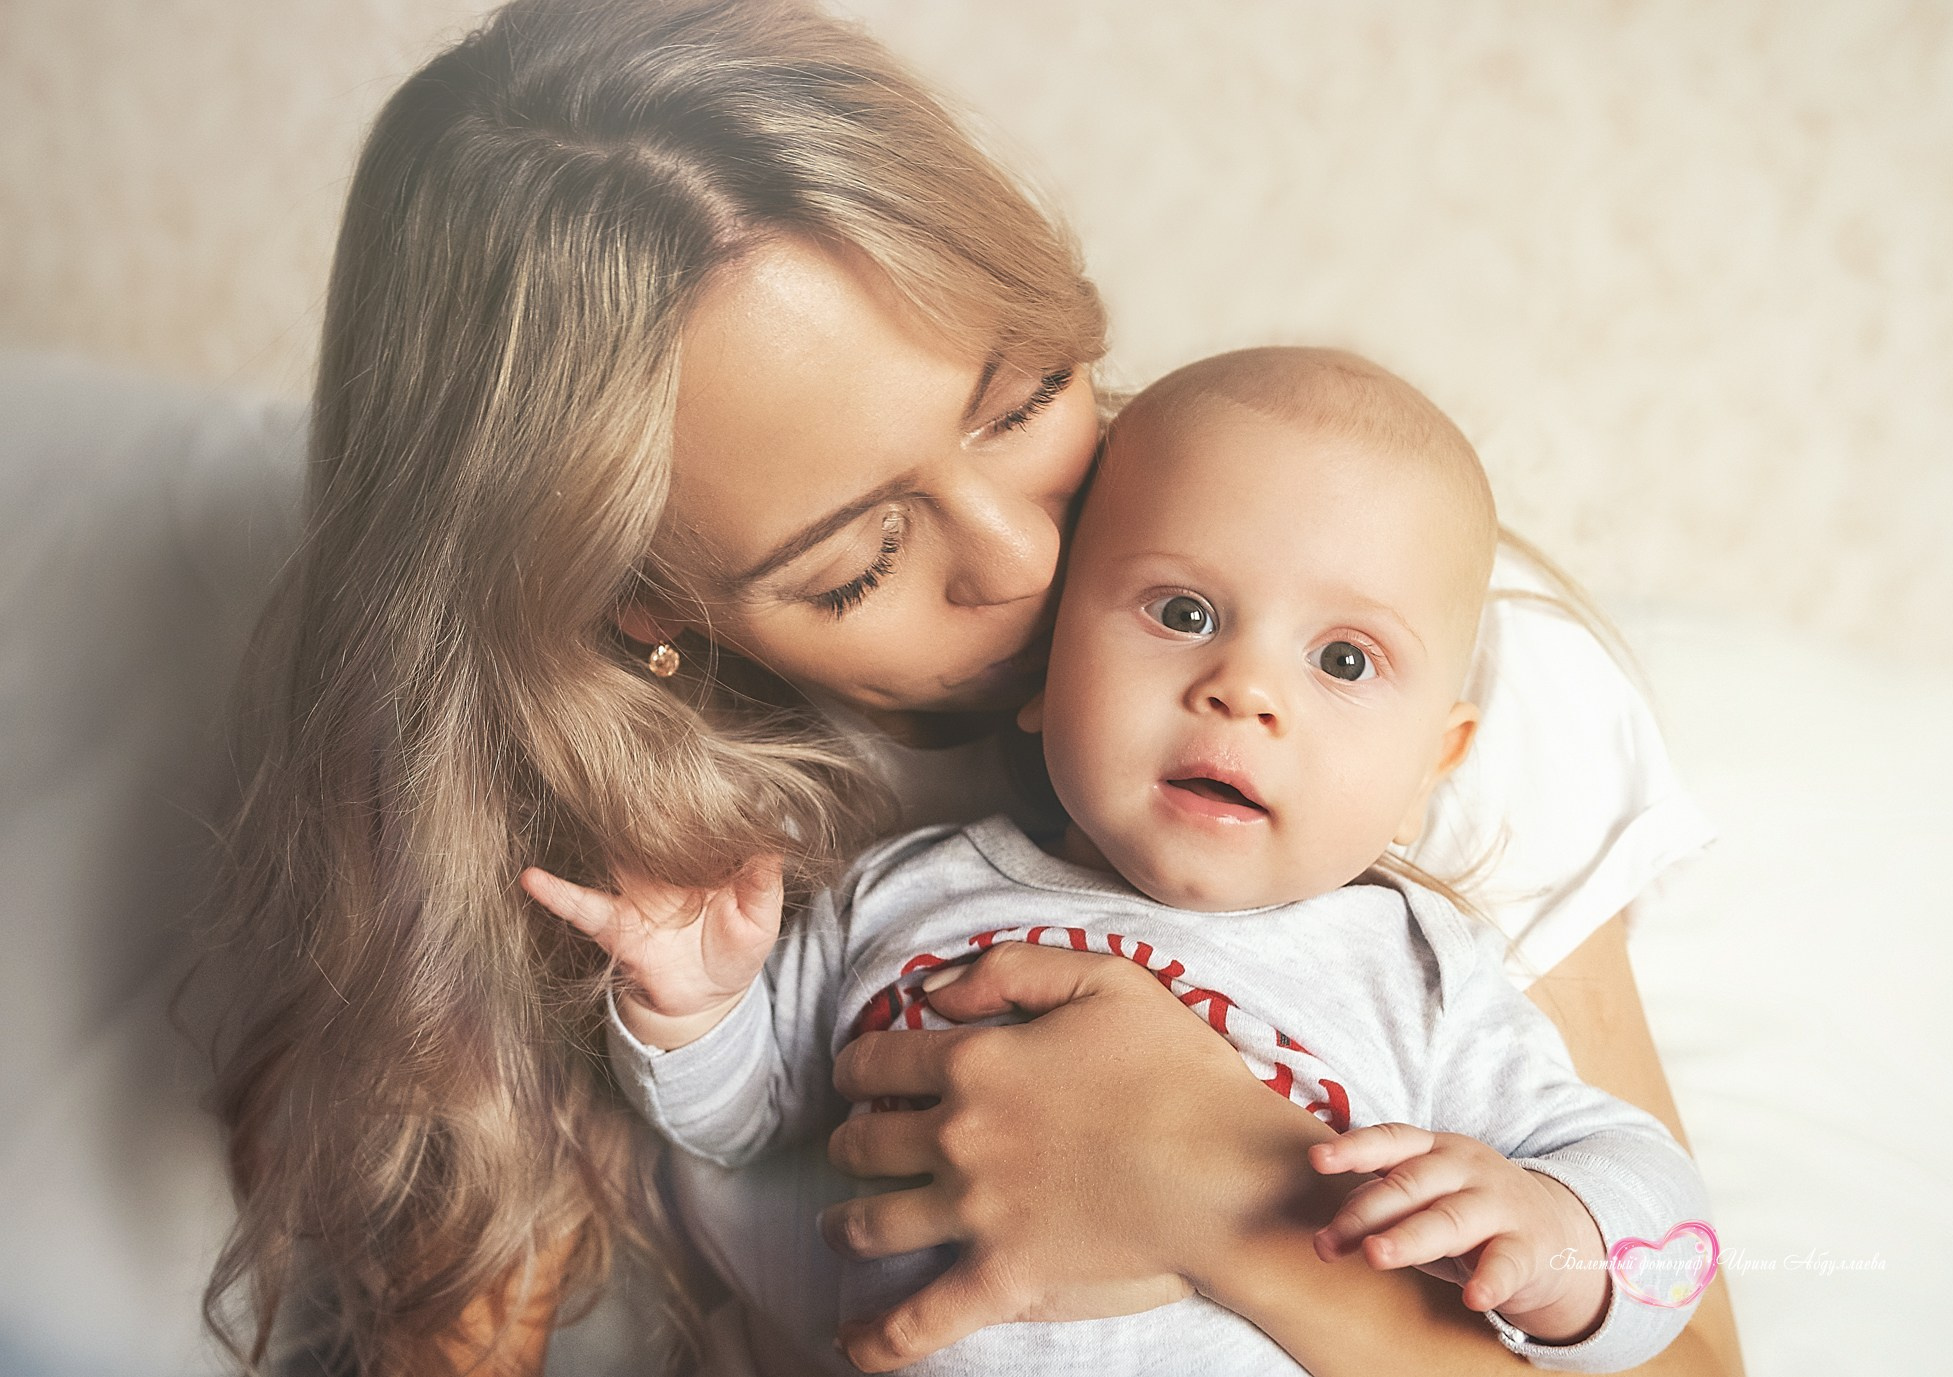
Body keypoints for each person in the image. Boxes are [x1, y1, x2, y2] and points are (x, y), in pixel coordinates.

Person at [198, 1, 1743, 1373]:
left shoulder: (1405, 683)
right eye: (854, 561)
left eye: (1026, 402)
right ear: (639, 606)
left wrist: (1216, 1192)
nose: (1025, 555)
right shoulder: (632, 843)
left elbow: (1658, 1292)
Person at [540, 346, 1712, 1374]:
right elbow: (745, 1115)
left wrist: (1555, 1237)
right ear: (1045, 676)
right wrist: (692, 1006)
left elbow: (1671, 1254)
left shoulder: (1416, 971)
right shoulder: (904, 892)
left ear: (1430, 767)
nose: (1242, 690)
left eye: (1343, 662)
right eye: (1183, 614)